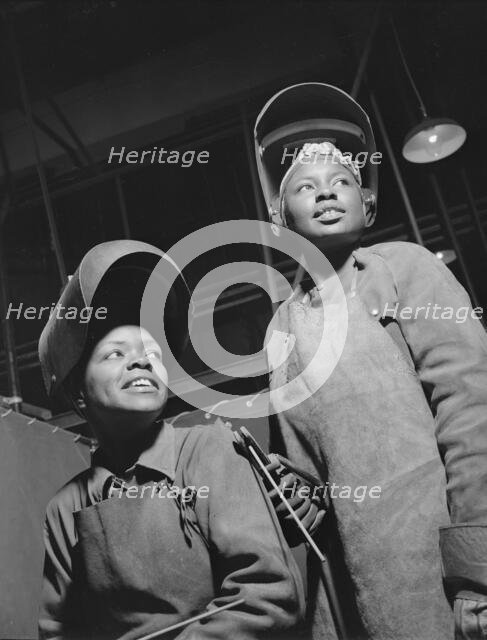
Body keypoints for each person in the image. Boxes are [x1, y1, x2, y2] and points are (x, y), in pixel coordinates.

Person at [253, 83, 487, 640]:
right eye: (305, 186)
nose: (326, 193)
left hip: (447, 576)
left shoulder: (404, 268)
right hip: (363, 591)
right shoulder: (281, 328)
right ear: (281, 213)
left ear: (368, 201)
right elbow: (307, 471)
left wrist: (478, 569)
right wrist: (294, 498)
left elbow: (473, 409)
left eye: (342, 181)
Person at [38, 240, 304, 640]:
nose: (142, 360)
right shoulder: (65, 509)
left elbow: (269, 596)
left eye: (152, 353)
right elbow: (58, 631)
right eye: (114, 354)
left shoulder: (210, 449)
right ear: (78, 395)